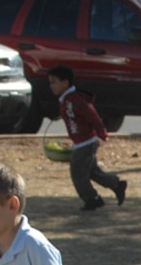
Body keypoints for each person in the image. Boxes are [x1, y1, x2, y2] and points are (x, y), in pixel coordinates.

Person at [47, 66, 127, 212]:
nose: (51, 86)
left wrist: (101, 130)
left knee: (77, 172)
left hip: (86, 143)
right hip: (81, 142)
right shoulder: (67, 101)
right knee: (91, 171)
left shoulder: (74, 100)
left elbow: (91, 114)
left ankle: (92, 198)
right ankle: (116, 184)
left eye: (53, 82)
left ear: (65, 83)